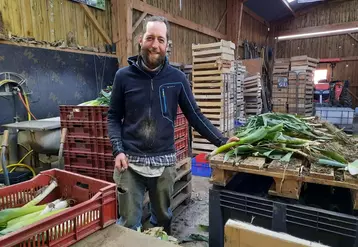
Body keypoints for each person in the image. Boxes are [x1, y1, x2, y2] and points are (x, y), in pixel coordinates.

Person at [107, 15, 239, 234]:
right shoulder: (123, 77)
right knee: (129, 224)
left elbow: (195, 115)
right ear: (141, 40)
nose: (154, 45)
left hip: (164, 164)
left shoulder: (177, 78)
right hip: (129, 163)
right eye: (150, 38)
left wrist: (222, 141)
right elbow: (113, 116)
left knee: (163, 219)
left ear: (167, 45)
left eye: (160, 39)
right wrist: (117, 151)